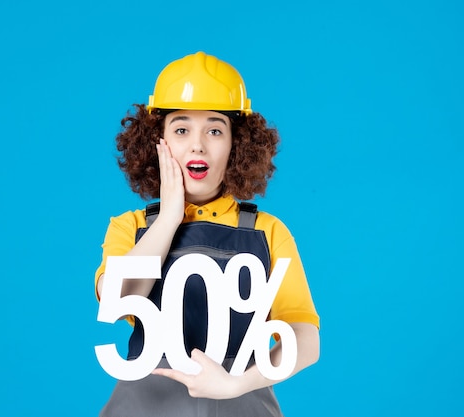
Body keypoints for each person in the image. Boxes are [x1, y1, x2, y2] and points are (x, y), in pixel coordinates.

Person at [94, 51, 320, 417]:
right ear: (157, 141)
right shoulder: (131, 228)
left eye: (215, 130)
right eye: (181, 129)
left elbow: (306, 340)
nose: (197, 144)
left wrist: (235, 384)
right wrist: (169, 217)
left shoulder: (269, 232)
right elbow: (114, 302)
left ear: (236, 145)